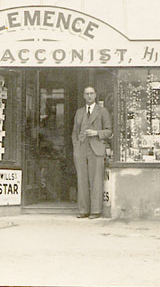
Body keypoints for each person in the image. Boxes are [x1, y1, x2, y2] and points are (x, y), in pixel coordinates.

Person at [71, 86, 112, 219]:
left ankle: (95, 211)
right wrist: (76, 147)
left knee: (95, 180)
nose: (89, 96)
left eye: (91, 93)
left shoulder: (102, 111)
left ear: (95, 95)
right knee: (81, 179)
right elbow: (74, 132)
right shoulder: (79, 112)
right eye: (87, 94)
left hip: (96, 148)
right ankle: (83, 210)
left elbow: (109, 131)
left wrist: (96, 133)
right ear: (83, 96)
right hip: (81, 148)